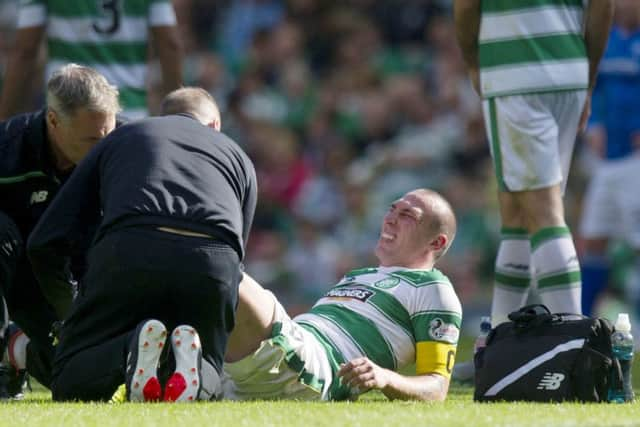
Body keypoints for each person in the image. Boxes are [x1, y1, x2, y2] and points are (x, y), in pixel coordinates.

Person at [27, 87, 257, 402]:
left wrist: (71, 308)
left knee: (69, 379)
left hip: (133, 247)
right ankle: (196, 370)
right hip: (213, 260)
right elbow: (237, 255)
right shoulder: (238, 155)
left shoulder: (127, 134)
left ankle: (129, 349)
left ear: (161, 117)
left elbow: (46, 239)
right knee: (211, 370)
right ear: (215, 125)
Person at [453, 0, 614, 326]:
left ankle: (571, 342)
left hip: (517, 73)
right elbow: (603, 6)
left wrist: (473, 62)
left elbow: (467, 6)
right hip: (569, 72)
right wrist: (588, 76)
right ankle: (497, 343)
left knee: (543, 212)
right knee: (518, 211)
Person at [222, 188, 462, 401]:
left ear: (436, 242)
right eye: (392, 209)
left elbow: (437, 385)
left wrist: (386, 377)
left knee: (222, 270)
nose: (390, 219)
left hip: (314, 366)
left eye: (407, 215)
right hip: (275, 355)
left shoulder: (433, 288)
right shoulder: (359, 274)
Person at [0, 63, 120, 398]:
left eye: (107, 136)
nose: (102, 150)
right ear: (53, 120)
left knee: (84, 386)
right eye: (91, 140)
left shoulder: (120, 148)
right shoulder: (7, 150)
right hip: (17, 276)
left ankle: (17, 350)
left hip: (77, 286)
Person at [0, 0, 183, 120]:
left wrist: (3, 120)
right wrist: (176, 118)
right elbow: (170, 44)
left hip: (67, 116)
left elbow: (26, 51)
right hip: (129, 114)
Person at [579, 0, 640, 316]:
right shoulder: (608, 39)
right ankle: (583, 323)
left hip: (636, 158)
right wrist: (595, 124)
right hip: (607, 158)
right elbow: (595, 88)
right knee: (594, 238)